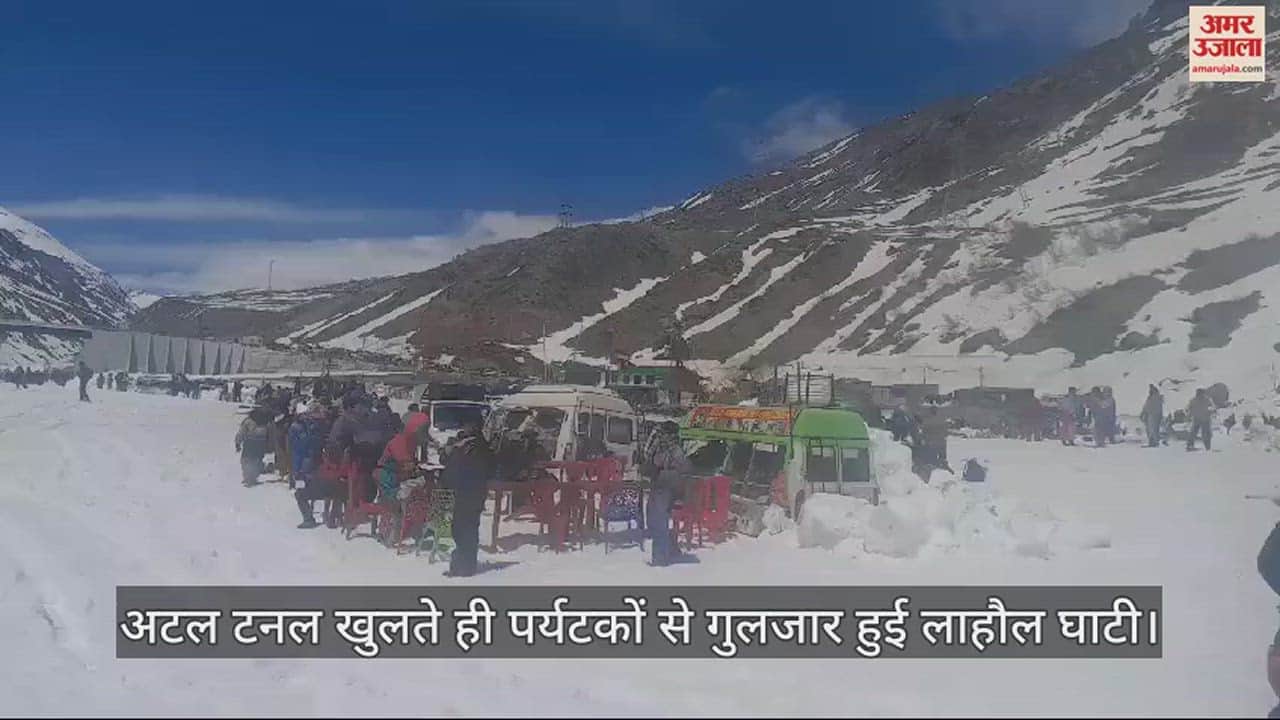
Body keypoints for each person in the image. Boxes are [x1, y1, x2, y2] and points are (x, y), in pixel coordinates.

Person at [439, 422, 494, 577]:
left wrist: (456, 450)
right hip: (466, 494)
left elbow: (455, 470)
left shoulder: (478, 449)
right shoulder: (467, 449)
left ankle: (466, 566)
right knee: (461, 529)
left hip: (469, 494)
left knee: (466, 530)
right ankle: (461, 564)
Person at [640, 421, 693, 567]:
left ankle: (660, 557)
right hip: (673, 486)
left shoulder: (664, 446)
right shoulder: (676, 446)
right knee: (661, 519)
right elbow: (686, 466)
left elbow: (650, 457)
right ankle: (671, 549)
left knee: (658, 521)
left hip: (663, 484)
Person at [235, 406, 273, 487]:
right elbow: (270, 435)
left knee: (246, 459)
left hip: (250, 442)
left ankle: (247, 476)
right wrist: (269, 446)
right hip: (260, 443)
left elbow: (241, 432)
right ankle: (253, 476)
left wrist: (238, 443)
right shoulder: (266, 422)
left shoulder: (248, 421)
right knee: (257, 460)